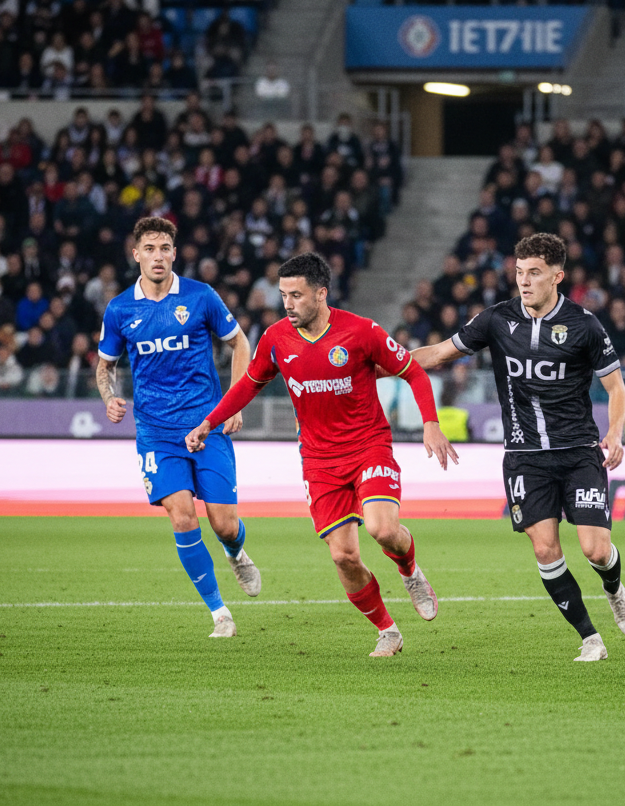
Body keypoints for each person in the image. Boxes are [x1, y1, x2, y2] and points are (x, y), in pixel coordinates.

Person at [186, 252, 456, 657]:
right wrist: (210, 421)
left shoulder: (361, 331)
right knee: (344, 556)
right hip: (319, 461)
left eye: (296, 295)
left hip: (369, 446)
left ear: (321, 293)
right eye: (283, 295)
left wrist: (430, 423)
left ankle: (410, 571)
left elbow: (412, 370)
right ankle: (387, 630)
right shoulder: (277, 338)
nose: (288, 303)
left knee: (383, 529)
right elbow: (248, 384)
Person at [413, 233, 625, 662]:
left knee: (595, 549)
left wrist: (616, 431)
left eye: (534, 272)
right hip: (524, 456)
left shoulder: (585, 325)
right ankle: (590, 638)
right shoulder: (496, 319)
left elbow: (616, 388)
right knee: (544, 548)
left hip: (578, 451)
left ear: (558, 276)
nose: (524, 281)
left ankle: (615, 590)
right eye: (519, 272)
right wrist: (382, 359)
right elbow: (438, 354)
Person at [96, 217, 260, 639]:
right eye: (149, 248)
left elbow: (239, 342)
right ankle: (219, 613)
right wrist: (109, 396)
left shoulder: (200, 296)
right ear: (136, 254)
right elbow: (104, 366)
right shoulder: (119, 310)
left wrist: (235, 400)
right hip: (155, 432)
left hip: (206, 425)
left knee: (223, 523)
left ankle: (236, 551)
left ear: (174, 252)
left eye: (165, 248)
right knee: (183, 518)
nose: (158, 256)